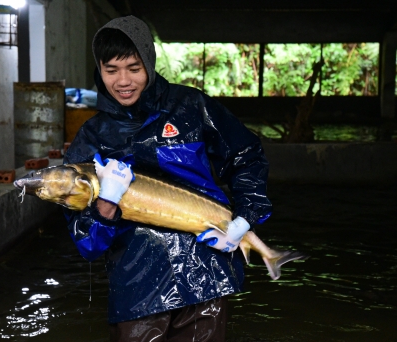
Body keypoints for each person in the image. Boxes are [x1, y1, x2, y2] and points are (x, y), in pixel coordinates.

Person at [63, 15, 272, 341]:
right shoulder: (92, 139)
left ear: (149, 61)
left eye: (134, 68)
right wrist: (106, 203)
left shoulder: (192, 107)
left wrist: (244, 218)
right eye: (111, 70)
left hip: (206, 275)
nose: (123, 81)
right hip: (138, 290)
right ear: (99, 70)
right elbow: (88, 243)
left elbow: (246, 156)